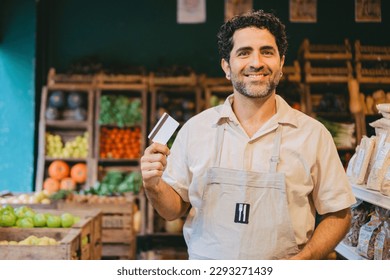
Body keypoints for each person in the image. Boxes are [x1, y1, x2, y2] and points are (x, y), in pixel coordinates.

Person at [141, 10, 356, 260]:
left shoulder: (313, 134)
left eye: (267, 51)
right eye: (244, 53)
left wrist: (303, 261)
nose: (256, 62)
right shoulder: (195, 130)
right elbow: (172, 210)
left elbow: (339, 214)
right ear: (226, 66)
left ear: (281, 63)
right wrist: (153, 186)